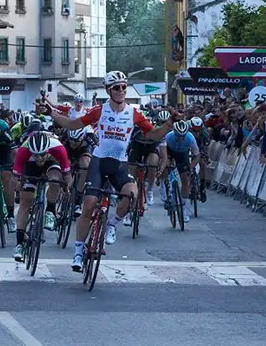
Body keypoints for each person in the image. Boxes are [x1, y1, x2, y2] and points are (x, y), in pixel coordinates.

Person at [45, 71, 173, 271]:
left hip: (119, 164)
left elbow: (154, 135)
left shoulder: (133, 113)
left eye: (124, 87)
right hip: (99, 162)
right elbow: (72, 124)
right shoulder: (99, 111)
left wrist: (168, 124)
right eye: (116, 87)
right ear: (108, 91)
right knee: (89, 205)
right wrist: (52, 113)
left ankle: (112, 224)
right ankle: (78, 252)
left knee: (131, 195)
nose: (121, 90)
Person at [11, 131, 71, 261]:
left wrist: (66, 188)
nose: (39, 158)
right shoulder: (24, 151)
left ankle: (50, 211)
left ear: (47, 149)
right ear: (31, 151)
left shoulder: (58, 148)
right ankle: (19, 244)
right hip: (30, 166)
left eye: (42, 154)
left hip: (52, 162)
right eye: (36, 155)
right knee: (25, 202)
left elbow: (67, 176)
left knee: (55, 180)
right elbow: (15, 179)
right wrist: (19, 189)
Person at [161, 120, 200, 222]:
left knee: (185, 179)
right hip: (170, 151)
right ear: (174, 133)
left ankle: (184, 208)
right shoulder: (168, 137)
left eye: (183, 136)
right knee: (166, 168)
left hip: (183, 154)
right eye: (178, 136)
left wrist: (190, 167)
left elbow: (197, 155)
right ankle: (166, 189)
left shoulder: (190, 138)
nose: (181, 138)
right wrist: (165, 161)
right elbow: (163, 152)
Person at [60, 126, 97, 216]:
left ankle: (78, 200)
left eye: (76, 141)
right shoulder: (66, 135)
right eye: (71, 140)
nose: (73, 143)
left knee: (85, 166)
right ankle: (64, 189)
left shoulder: (90, 137)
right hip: (68, 150)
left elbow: (98, 152)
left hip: (84, 150)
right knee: (64, 163)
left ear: (83, 137)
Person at [188, 116, 210, 202]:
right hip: (189, 148)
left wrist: (205, 156)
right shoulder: (187, 132)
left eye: (198, 130)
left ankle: (202, 187)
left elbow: (205, 147)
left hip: (199, 149)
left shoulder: (205, 133)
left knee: (203, 164)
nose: (197, 132)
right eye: (194, 130)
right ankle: (189, 186)